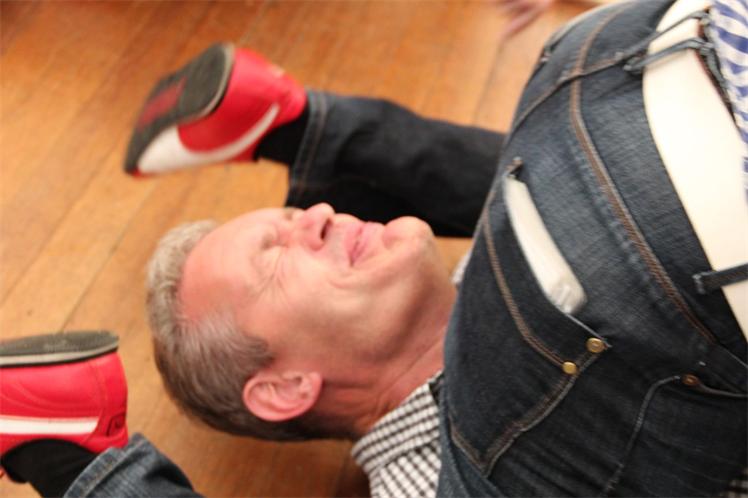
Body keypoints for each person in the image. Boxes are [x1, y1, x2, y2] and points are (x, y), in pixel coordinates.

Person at [1, 0, 746, 496]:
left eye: (294, 217)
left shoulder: (495, 281)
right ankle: (291, 123)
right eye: (273, 257)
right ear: (286, 388)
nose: (320, 214)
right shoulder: (432, 469)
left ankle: (66, 440)